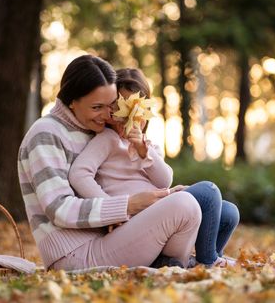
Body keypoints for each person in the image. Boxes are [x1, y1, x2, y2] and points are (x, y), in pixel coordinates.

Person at [18, 55, 201, 270]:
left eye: (110, 106)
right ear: (71, 101)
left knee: (192, 200)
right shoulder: (46, 134)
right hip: (74, 253)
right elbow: (60, 209)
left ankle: (176, 263)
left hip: (110, 240)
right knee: (184, 206)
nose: (107, 115)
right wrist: (129, 205)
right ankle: (176, 263)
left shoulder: (90, 130)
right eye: (97, 107)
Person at [69, 68, 240, 267]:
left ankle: (210, 253)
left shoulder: (148, 146)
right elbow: (79, 174)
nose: (128, 119)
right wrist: (110, 208)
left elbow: (164, 180)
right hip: (137, 221)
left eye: (137, 111)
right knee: (208, 192)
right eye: (121, 109)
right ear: (111, 111)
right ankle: (208, 260)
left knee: (229, 212)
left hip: (162, 216)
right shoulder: (107, 140)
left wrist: (144, 152)